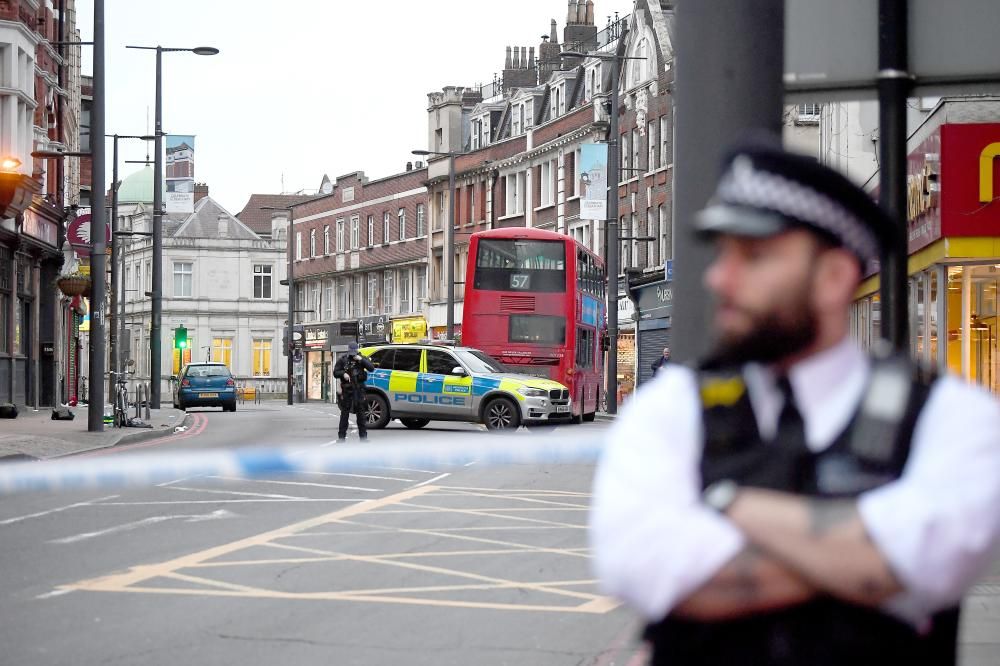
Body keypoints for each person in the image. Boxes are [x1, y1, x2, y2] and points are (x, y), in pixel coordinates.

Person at [590, 139, 1000, 666]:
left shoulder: (951, 416)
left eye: (754, 256)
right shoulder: (670, 407)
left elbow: (936, 560)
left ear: (832, 277)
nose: (719, 277)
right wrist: (870, 563)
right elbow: (638, 564)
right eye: (723, 253)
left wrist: (723, 501)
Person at [333, 341, 375, 442]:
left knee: (361, 415)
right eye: (351, 352)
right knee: (344, 415)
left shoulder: (361, 358)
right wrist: (343, 374)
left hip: (359, 390)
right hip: (347, 391)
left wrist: (361, 360)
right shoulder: (343, 360)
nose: (353, 355)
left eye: (354, 352)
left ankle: (363, 438)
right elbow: (335, 372)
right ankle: (341, 437)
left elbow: (371, 368)